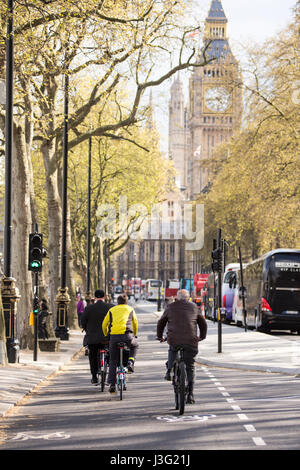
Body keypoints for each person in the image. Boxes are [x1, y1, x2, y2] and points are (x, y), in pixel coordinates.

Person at [156, 289, 207, 405]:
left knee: (173, 349)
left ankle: (169, 370)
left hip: (174, 339)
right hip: (191, 341)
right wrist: (202, 337)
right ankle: (190, 394)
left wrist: (160, 336)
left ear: (177, 298)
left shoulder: (170, 307)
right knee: (190, 366)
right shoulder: (194, 307)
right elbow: (203, 323)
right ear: (188, 298)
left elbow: (161, 323)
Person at [102, 294, 139, 394]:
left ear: (117, 302)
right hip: (127, 336)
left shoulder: (112, 310)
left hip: (114, 337)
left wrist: (106, 334)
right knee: (135, 346)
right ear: (127, 301)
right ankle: (130, 362)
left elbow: (104, 324)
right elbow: (135, 322)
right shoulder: (130, 309)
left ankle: (112, 384)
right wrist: (134, 334)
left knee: (113, 360)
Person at [81, 289, 114, 385]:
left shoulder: (88, 308)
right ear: (104, 297)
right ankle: (107, 368)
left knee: (92, 356)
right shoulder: (110, 307)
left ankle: (94, 376)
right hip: (107, 338)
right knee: (111, 354)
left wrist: (85, 328)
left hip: (92, 338)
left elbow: (83, 322)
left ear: (94, 297)